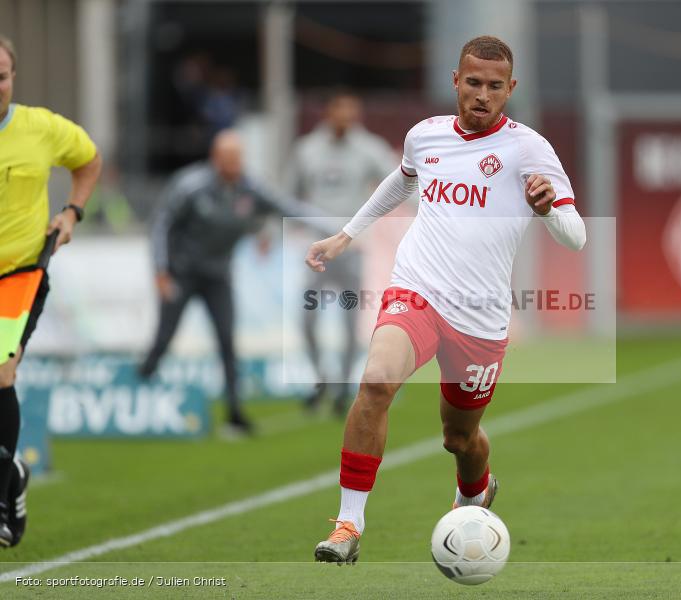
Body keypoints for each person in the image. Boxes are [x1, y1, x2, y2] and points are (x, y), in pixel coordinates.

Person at [306, 36, 587, 563]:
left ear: (511, 88)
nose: (483, 95)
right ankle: (348, 524)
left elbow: (576, 236)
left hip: (479, 316)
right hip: (418, 288)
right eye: (473, 83)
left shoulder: (529, 149)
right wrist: (346, 234)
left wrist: (549, 210)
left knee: (460, 438)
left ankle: (474, 491)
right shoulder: (425, 135)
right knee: (376, 382)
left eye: (495, 86)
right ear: (456, 80)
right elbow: (401, 182)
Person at [139, 129, 330, 435]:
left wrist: (335, 227)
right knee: (164, 338)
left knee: (227, 341)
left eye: (238, 158)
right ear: (215, 158)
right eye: (228, 158)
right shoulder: (191, 186)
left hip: (218, 275)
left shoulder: (250, 188)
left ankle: (234, 411)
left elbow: (287, 207)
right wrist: (161, 270)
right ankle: (140, 386)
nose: (234, 164)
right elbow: (161, 225)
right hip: (181, 272)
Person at [0, 34, 103, 548]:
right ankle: (13, 474)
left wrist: (71, 212)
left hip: (19, 274)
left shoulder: (40, 127)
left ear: (13, 77)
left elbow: (88, 160)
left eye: (0, 76)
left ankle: (1, 495)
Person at [283, 91, 397, 415]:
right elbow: (288, 194)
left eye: (352, 112)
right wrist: (275, 230)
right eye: (341, 111)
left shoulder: (368, 148)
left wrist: (427, 209)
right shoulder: (307, 150)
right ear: (329, 112)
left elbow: (398, 181)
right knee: (307, 319)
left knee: (350, 323)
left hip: (351, 250)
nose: (346, 118)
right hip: (317, 252)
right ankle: (321, 378)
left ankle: (344, 387)